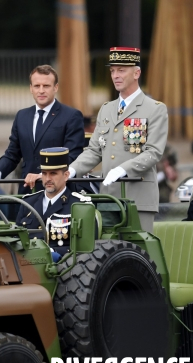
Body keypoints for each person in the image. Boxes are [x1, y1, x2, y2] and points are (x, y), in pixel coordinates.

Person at [68, 47, 169, 233]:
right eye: (113, 70)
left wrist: (123, 169)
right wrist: (72, 170)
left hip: (138, 197)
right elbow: (94, 150)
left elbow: (153, 152)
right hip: (108, 198)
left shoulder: (154, 109)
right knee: (106, 254)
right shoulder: (107, 109)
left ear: (137, 72)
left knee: (138, 254)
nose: (116, 75)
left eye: (122, 70)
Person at [0, 65, 84, 194]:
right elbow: (12, 154)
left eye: (46, 86)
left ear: (55, 87)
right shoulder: (22, 116)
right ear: (31, 88)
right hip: (27, 193)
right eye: (37, 86)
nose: (41, 90)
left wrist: (44, 175)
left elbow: (73, 156)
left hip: (59, 193)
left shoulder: (71, 116)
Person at [16, 148, 79, 255]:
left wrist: (52, 252)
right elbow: (16, 238)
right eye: (44, 173)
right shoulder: (28, 202)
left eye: (53, 173)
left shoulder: (78, 206)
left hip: (63, 267)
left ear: (66, 175)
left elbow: (83, 250)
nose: (48, 178)